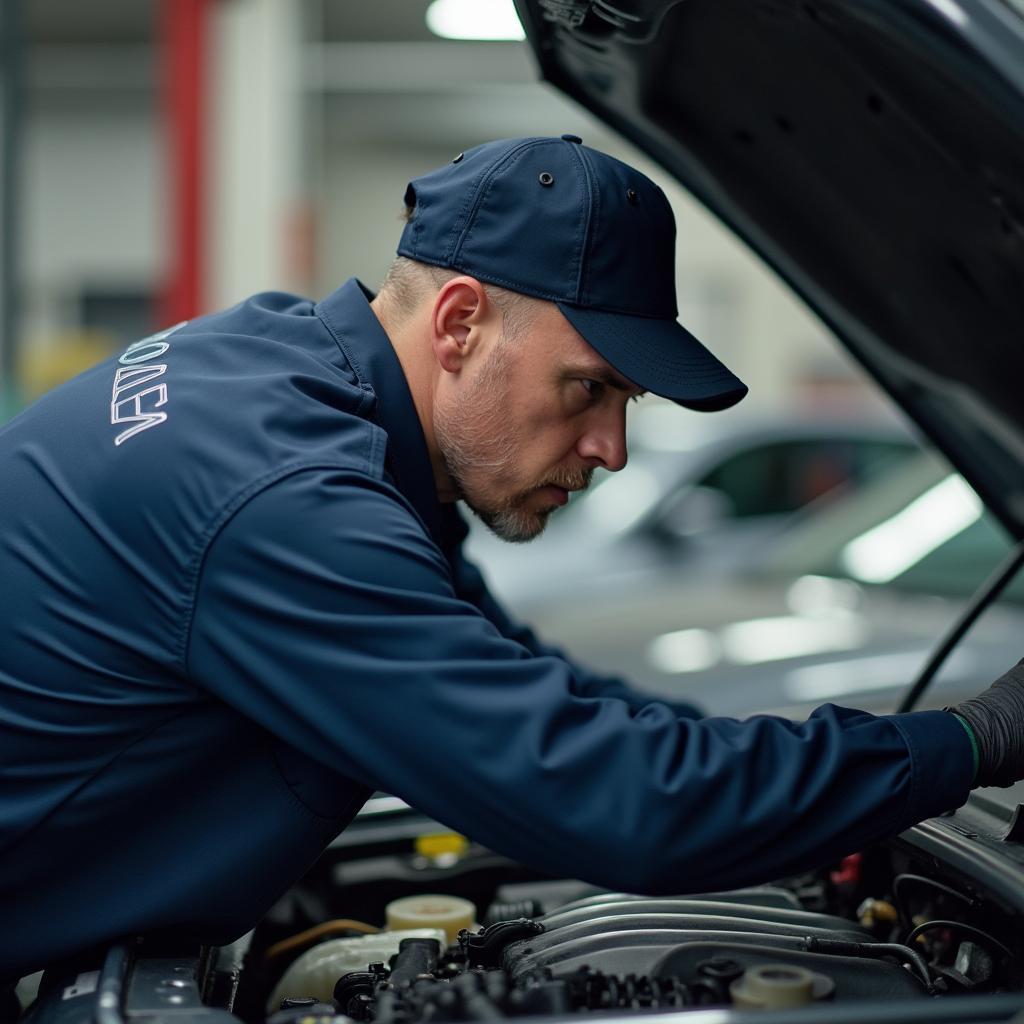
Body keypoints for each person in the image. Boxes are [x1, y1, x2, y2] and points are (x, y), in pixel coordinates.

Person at [0, 134, 1020, 981]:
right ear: (459, 324)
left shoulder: (286, 371)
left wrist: (771, 766)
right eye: (589, 388)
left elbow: (538, 689)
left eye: (629, 405)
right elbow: (618, 802)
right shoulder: (285, 503)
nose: (611, 449)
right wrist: (971, 740)